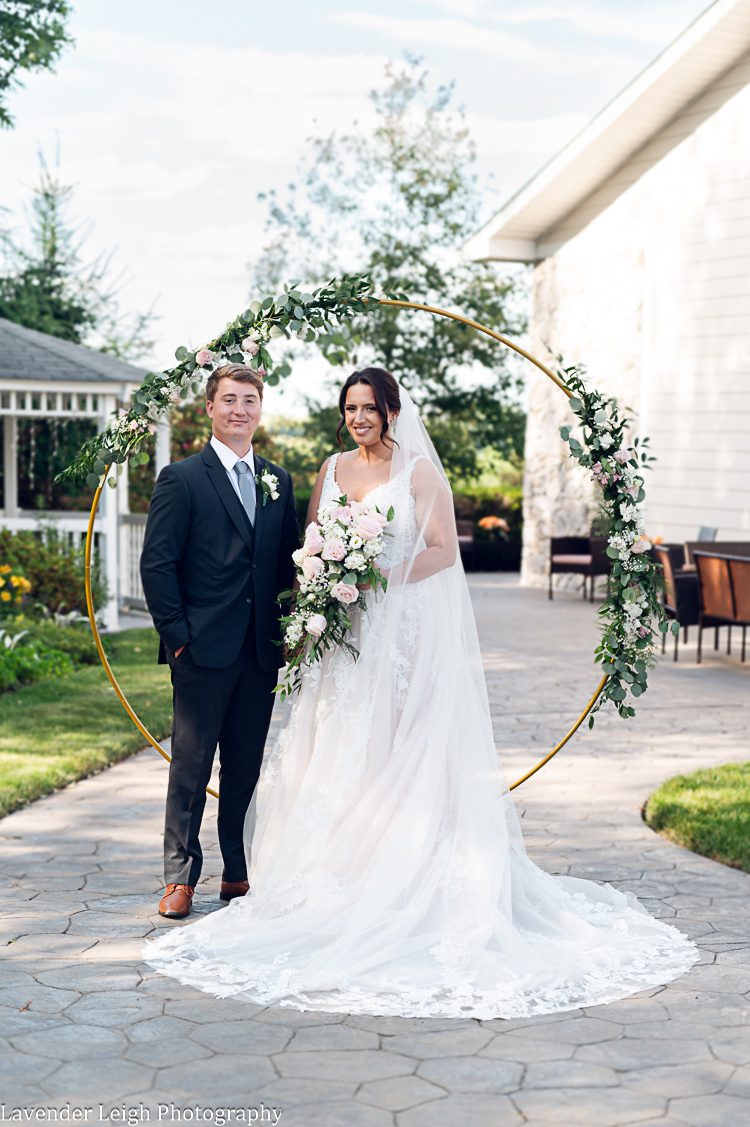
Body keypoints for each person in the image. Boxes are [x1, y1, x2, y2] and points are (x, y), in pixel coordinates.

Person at [143, 367, 697, 1018]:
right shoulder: (321, 470)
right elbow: (305, 549)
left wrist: (376, 570)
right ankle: (191, 875)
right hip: (335, 635)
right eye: (350, 407)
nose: (359, 417)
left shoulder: (414, 472)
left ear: (390, 411)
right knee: (295, 749)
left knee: (373, 751)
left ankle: (339, 873)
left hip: (396, 633)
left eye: (369, 407)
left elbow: (441, 550)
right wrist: (314, 595)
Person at [140, 364, 298, 920]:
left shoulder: (279, 480)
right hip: (201, 650)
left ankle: (237, 869)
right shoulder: (182, 479)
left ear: (260, 409)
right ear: (209, 408)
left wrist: (290, 629)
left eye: (249, 400)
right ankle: (179, 877)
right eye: (229, 399)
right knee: (191, 768)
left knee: (245, 767)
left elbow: (288, 561)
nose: (239, 410)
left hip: (259, 651)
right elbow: (157, 564)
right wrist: (178, 638)